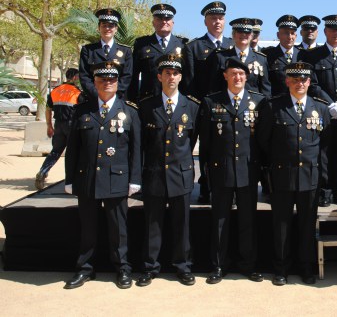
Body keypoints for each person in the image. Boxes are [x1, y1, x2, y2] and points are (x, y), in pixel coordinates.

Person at [63, 60, 141, 289]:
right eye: (102, 80)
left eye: (111, 80)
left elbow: (136, 150)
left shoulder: (129, 111)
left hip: (117, 178)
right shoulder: (82, 111)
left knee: (119, 229)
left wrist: (135, 179)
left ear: (118, 83)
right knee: (88, 228)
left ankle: (123, 269)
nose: (107, 83)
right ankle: (85, 269)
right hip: (87, 178)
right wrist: (69, 179)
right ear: (94, 83)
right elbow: (73, 149)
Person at [256, 62, 331, 286]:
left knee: (307, 226)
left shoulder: (321, 108)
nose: (300, 83)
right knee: (281, 225)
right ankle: (281, 268)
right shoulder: (272, 107)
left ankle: (306, 268)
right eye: (295, 79)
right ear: (287, 81)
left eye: (304, 80)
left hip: (310, 176)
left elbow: (325, 146)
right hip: (282, 175)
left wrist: (324, 179)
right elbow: (263, 141)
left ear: (309, 82)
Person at [199, 57, 268, 284]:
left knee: (248, 220)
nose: (237, 77)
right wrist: (205, 173)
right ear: (225, 76)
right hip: (221, 170)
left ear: (247, 77)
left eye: (241, 74)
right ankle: (219, 265)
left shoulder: (259, 102)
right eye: (232, 74)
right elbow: (206, 143)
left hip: (248, 170)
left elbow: (263, 140)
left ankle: (248, 265)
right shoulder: (211, 102)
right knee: (220, 220)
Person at [136, 54, 199, 287]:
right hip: (154, 174)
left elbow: (190, 142)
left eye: (175, 73)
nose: (171, 77)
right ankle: (150, 266)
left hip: (180, 174)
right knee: (153, 223)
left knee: (181, 224)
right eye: (167, 73)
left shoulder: (192, 106)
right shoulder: (145, 106)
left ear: (181, 77)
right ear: (159, 76)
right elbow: (142, 144)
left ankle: (183, 266)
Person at [299, 15, 337, 207]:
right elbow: (313, 84)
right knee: (323, 153)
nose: (336, 33)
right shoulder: (311, 55)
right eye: (332, 30)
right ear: (325, 31)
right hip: (323, 112)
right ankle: (324, 190)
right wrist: (329, 104)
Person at [182, 1, 233, 203]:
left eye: (220, 18)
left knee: (226, 147)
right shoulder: (194, 47)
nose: (217, 21)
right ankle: (205, 185)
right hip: (203, 107)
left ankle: (224, 184)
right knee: (206, 149)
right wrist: (199, 106)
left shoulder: (231, 45)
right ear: (205, 21)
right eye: (213, 18)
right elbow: (189, 82)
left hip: (228, 108)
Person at [128, 4, 188, 102]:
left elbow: (186, 76)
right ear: (153, 22)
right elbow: (133, 75)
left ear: (172, 22)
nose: (164, 22)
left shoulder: (182, 45)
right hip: (148, 101)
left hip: (175, 100)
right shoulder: (142, 44)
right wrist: (132, 101)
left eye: (167, 19)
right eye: (159, 19)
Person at [35, 68, 83, 190]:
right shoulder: (77, 92)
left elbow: (48, 110)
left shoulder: (55, 91)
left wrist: (49, 126)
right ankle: (71, 180)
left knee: (55, 151)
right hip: (72, 126)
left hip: (58, 125)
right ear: (75, 77)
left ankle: (43, 171)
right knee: (74, 153)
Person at [79, 9, 133, 101]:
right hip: (94, 100)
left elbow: (127, 76)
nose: (107, 29)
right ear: (99, 28)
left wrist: (112, 96)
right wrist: (97, 96)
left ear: (116, 29)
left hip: (117, 100)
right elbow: (84, 76)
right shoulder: (88, 50)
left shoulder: (126, 51)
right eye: (104, 25)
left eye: (111, 26)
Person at [215, 17, 271, 98]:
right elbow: (215, 86)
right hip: (227, 105)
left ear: (251, 35)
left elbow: (265, 89)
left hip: (253, 107)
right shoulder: (221, 57)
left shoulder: (261, 59)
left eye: (247, 32)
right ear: (233, 35)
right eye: (240, 32)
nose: (244, 35)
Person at [264, 15, 302, 97]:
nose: (289, 37)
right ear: (278, 35)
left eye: (292, 33)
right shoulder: (268, 55)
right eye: (286, 33)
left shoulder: (303, 55)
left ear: (296, 36)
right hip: (276, 104)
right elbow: (265, 84)